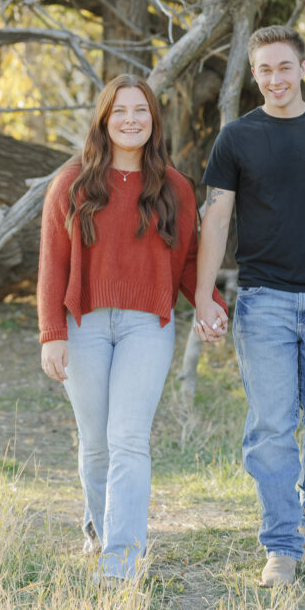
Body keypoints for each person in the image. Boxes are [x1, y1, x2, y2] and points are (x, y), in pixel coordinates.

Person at [194, 25, 305, 587]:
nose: (275, 79)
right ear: (254, 76)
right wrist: (204, 293)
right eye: (265, 70)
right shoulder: (237, 139)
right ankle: (281, 545)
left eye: (284, 67)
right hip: (263, 302)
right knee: (270, 428)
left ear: (302, 68)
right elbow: (217, 219)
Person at [37, 74, 226, 582]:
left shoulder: (175, 188)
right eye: (120, 111)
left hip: (148, 325)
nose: (130, 119)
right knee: (95, 443)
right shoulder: (73, 183)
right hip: (84, 326)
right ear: (104, 119)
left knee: (128, 438)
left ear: (153, 121)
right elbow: (53, 264)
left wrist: (208, 303)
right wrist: (51, 332)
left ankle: (121, 559)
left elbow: (187, 260)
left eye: (140, 111)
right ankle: (100, 527)